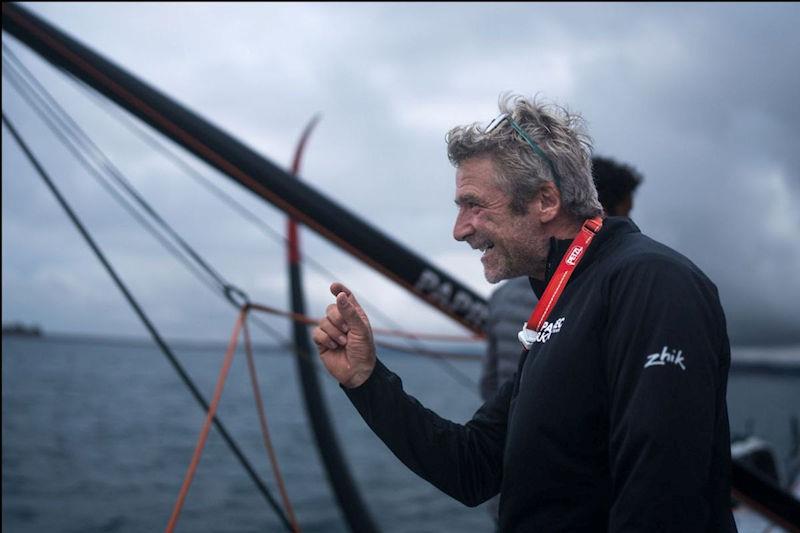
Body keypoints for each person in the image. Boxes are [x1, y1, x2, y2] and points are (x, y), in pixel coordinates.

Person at [313, 94, 736, 531]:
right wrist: (365, 379)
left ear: (546, 201)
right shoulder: (560, 304)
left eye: (474, 204)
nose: (459, 230)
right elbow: (472, 466)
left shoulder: (651, 282)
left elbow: (661, 503)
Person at [480, 155, 644, 404]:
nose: (631, 226)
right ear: (600, 212)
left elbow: (490, 384)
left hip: (510, 433)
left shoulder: (502, 296)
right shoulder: (605, 292)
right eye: (626, 214)